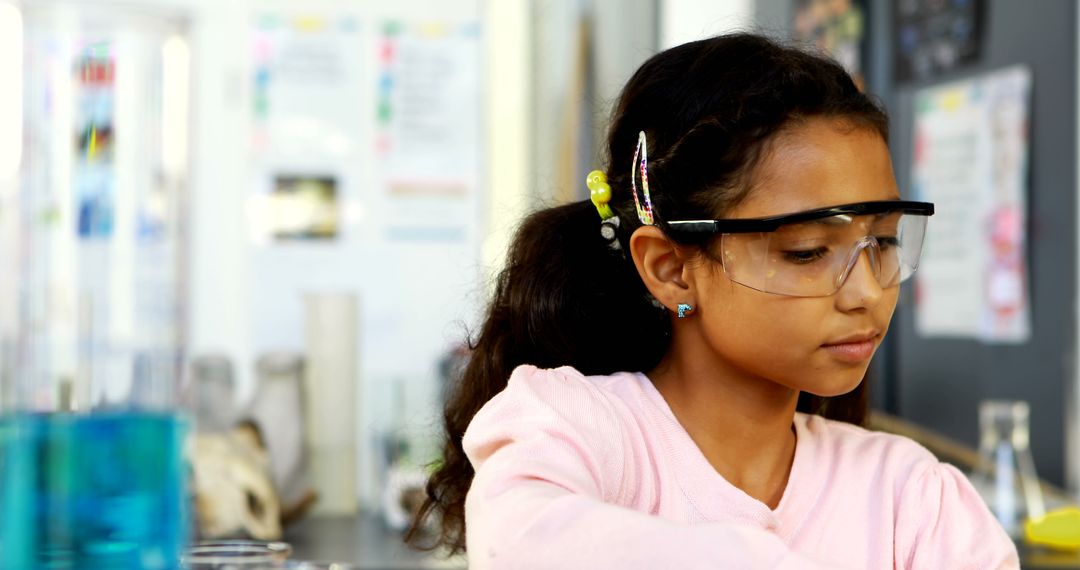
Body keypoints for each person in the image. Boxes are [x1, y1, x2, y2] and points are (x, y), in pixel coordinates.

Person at [407, 33, 1019, 569]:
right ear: (671, 268)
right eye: (806, 251)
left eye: (883, 241)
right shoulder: (578, 430)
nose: (867, 292)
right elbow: (522, 543)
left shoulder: (910, 496)